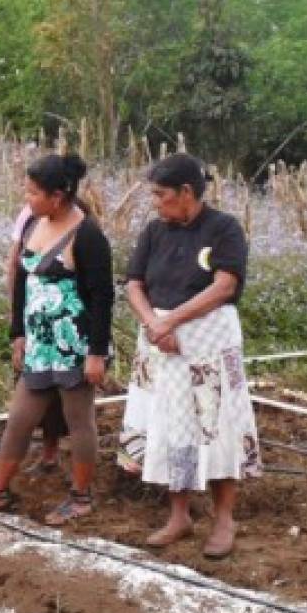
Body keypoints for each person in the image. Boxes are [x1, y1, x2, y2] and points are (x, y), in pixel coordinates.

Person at [118, 152, 262, 559]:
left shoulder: (224, 229)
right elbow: (133, 283)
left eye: (160, 194)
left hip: (210, 343)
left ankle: (224, 518)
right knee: (173, 425)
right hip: (162, 343)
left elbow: (224, 286)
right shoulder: (154, 232)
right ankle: (179, 515)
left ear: (186, 193)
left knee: (219, 424)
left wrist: (173, 321)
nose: (155, 202)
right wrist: (153, 324)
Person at [0, 153, 113, 522]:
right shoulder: (32, 226)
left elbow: (103, 296)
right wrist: (18, 334)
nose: (28, 199)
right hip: (39, 345)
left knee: (78, 420)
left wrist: (96, 353)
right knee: (20, 419)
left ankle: (81, 496)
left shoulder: (87, 234)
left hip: (74, 343)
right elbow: (23, 284)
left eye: (33, 193)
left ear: (57, 196)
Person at [8, 205, 67, 473]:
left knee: (65, 398)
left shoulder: (80, 220)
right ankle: (42, 451)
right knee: (32, 393)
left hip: (67, 327)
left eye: (34, 191)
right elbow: (16, 264)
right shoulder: (28, 217)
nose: (29, 198)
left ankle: (53, 452)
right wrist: (17, 323)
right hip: (34, 322)